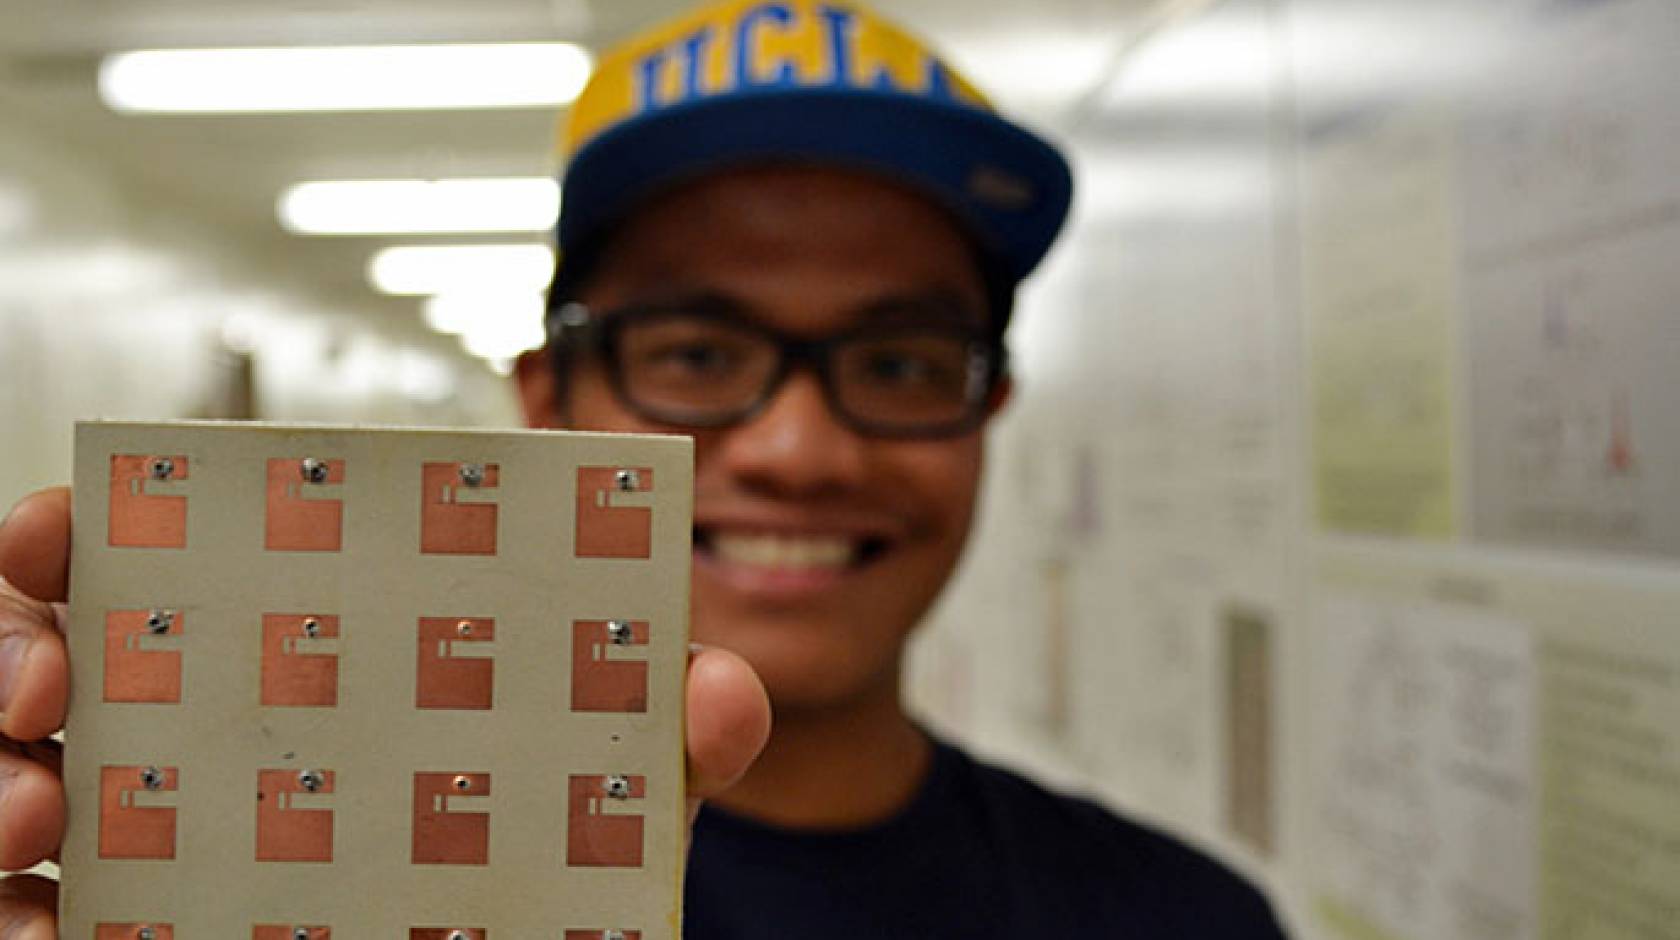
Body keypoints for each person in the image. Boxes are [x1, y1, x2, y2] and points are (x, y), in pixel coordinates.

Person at [0, 0, 1289, 936]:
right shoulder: (282, 887)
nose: (798, 450)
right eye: (697, 350)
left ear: (987, 408)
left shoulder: (1188, 920)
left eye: (899, 363)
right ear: (550, 403)